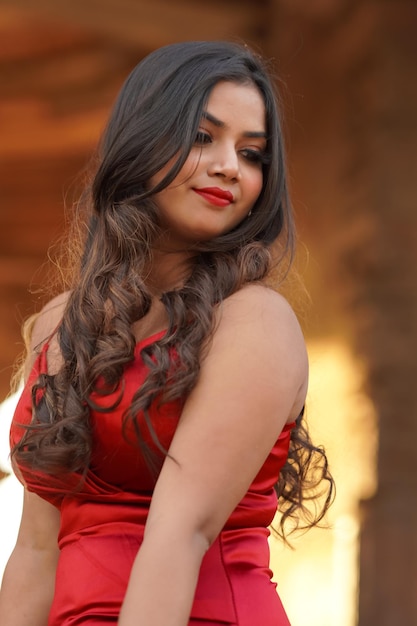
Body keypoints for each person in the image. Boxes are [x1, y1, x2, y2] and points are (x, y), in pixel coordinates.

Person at [0, 41, 334, 626]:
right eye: (204, 137)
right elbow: (34, 550)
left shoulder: (253, 321)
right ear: (142, 140)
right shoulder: (61, 325)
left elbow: (179, 535)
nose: (231, 165)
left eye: (253, 153)